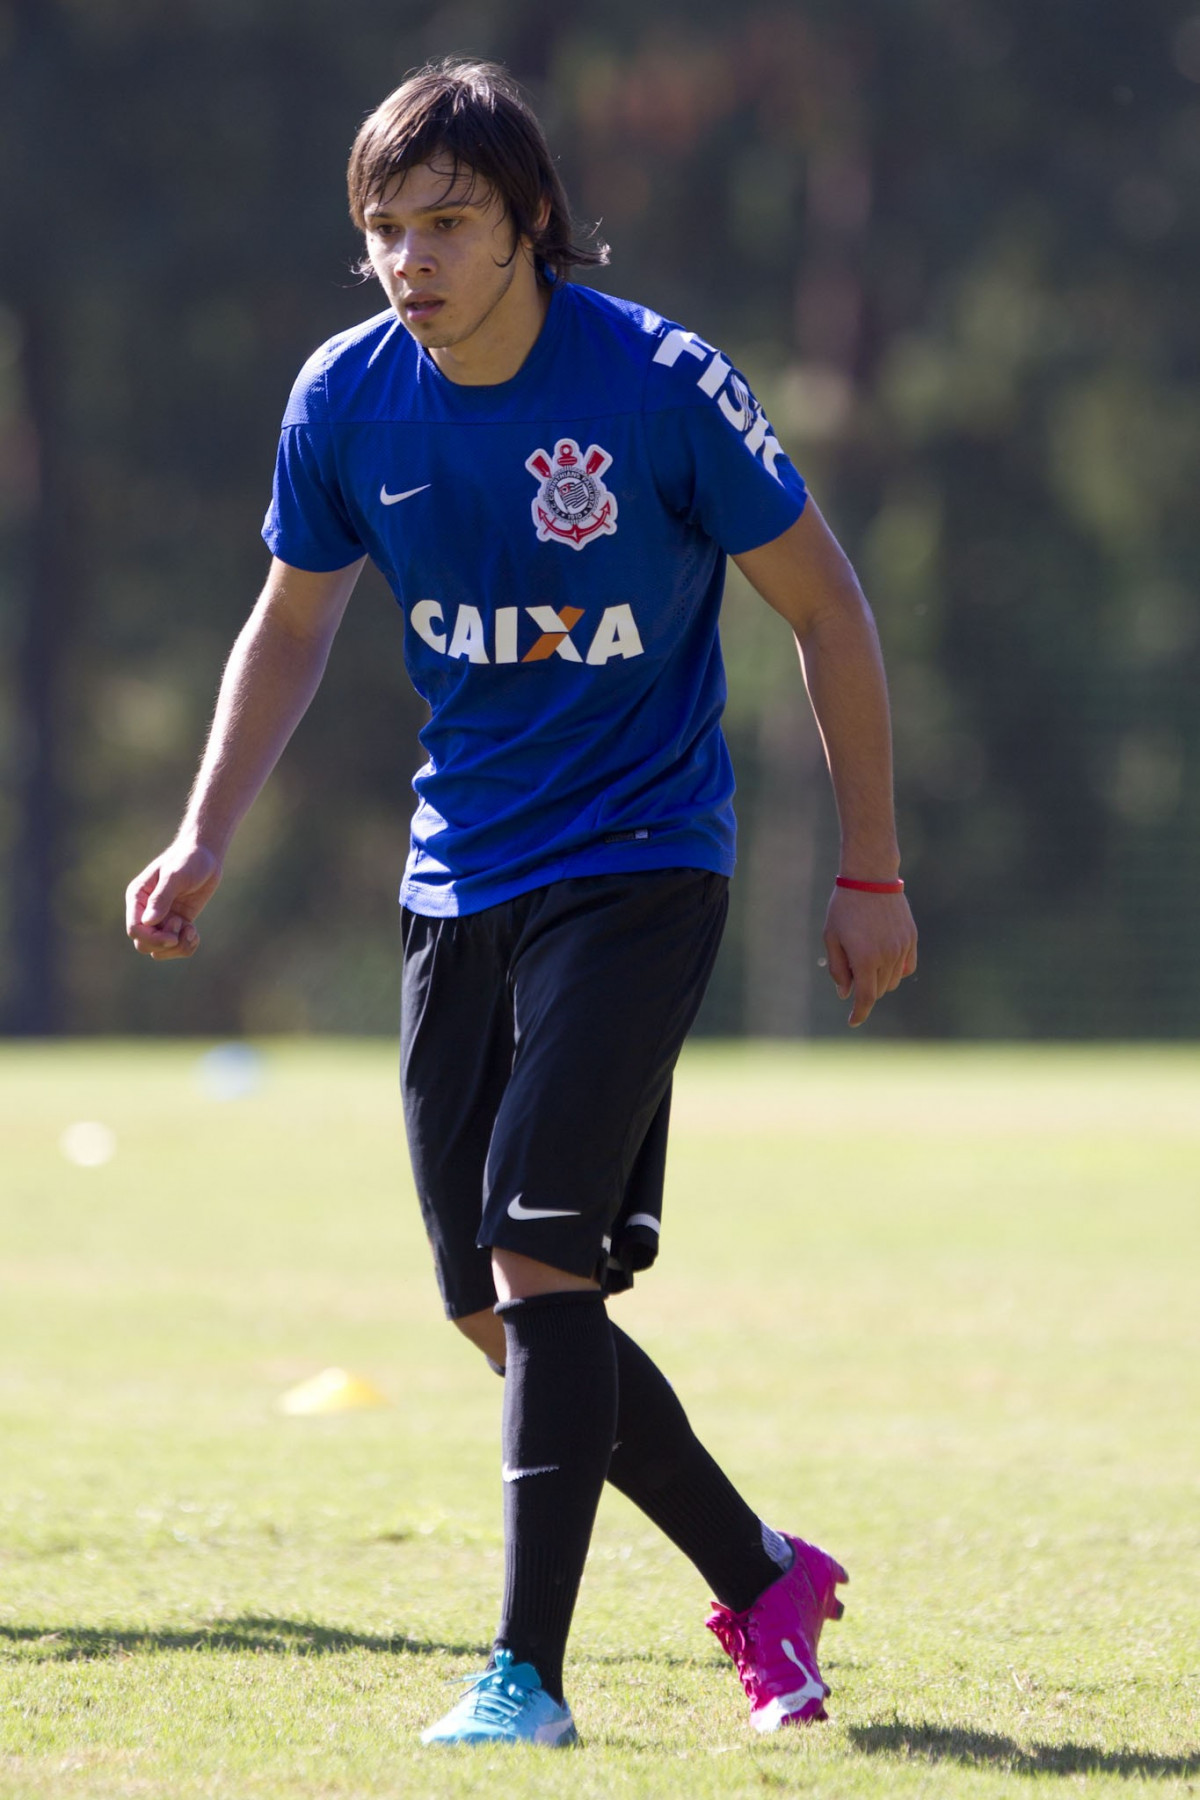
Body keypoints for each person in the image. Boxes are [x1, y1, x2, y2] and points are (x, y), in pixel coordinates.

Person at [125, 58, 917, 1748]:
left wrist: (869, 870)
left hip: (640, 862)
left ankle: (525, 1681)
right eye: (385, 230)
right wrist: (203, 834)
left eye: (447, 224)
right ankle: (762, 1572)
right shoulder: (346, 398)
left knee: (541, 1252)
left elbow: (830, 613)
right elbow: (288, 625)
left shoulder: (660, 388)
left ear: (531, 226)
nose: (409, 260)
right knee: (498, 1308)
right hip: (457, 870)